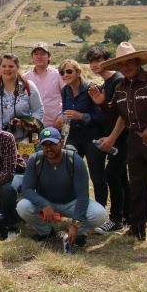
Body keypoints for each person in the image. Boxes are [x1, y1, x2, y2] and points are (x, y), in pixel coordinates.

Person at [89, 42, 147, 249]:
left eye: (129, 62)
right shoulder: (120, 87)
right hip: (134, 141)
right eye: (122, 64)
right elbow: (115, 116)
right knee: (137, 186)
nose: (126, 67)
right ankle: (137, 227)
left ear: (137, 61)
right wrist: (102, 103)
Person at [17, 128, 108, 245]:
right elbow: (26, 189)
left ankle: (77, 233)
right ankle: (45, 231)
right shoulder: (35, 159)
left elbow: (82, 196)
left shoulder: (74, 160)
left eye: (53, 144)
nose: (49, 148)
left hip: (72, 203)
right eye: (45, 144)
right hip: (46, 203)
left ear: (61, 143)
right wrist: (44, 204)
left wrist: (75, 224)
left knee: (100, 214)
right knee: (22, 207)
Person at [85, 45, 129, 233]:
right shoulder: (105, 85)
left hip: (121, 138)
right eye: (91, 61)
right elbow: (110, 114)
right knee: (121, 178)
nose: (94, 65)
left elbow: (123, 115)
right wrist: (101, 104)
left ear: (108, 60)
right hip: (114, 137)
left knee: (112, 175)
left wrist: (111, 138)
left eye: (98, 60)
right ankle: (129, 214)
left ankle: (116, 219)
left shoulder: (118, 81)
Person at [58, 58, 106, 217]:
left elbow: (101, 117)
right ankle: (74, 210)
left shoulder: (91, 89)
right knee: (70, 173)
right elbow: (66, 113)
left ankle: (100, 213)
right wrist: (62, 126)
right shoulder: (65, 90)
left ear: (78, 72)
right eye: (62, 72)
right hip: (73, 137)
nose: (65, 75)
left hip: (92, 137)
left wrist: (81, 116)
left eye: (69, 71)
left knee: (97, 175)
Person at [0, 53, 43, 142]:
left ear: (17, 67)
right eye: (4, 66)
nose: (7, 69)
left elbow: (38, 110)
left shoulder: (28, 86)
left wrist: (27, 123)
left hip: (24, 141)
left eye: (11, 66)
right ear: (0, 68)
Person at [25, 42, 63, 130]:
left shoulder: (58, 75)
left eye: (42, 54)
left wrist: (63, 116)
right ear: (32, 57)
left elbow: (68, 97)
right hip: (33, 127)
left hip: (55, 126)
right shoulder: (25, 78)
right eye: (36, 54)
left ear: (49, 56)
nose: (39, 56)